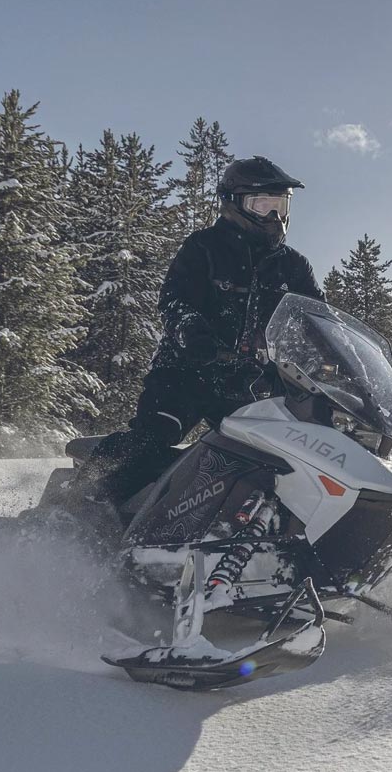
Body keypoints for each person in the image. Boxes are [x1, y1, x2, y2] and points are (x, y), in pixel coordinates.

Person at [69, 155, 324, 515]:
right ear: (233, 204)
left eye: (279, 205)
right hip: (188, 372)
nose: (272, 217)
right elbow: (175, 301)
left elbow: (318, 321)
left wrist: (331, 360)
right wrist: (194, 334)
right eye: (261, 204)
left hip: (252, 384)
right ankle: (79, 507)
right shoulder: (204, 248)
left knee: (283, 458)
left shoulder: (294, 266)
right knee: (153, 438)